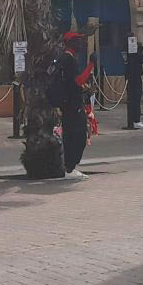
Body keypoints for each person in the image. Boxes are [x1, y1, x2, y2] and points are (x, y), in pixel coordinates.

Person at [54, 31, 95, 178]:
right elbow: (78, 81)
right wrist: (91, 65)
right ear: (70, 43)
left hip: (66, 104)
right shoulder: (69, 60)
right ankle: (70, 168)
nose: (80, 44)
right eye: (77, 41)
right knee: (78, 136)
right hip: (73, 104)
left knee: (70, 135)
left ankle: (68, 167)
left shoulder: (62, 59)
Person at [123, 41, 143, 129]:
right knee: (133, 100)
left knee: (136, 100)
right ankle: (134, 120)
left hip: (135, 78)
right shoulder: (132, 56)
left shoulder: (135, 56)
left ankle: (136, 119)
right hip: (133, 79)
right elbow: (141, 59)